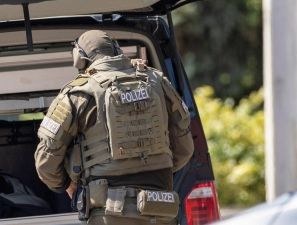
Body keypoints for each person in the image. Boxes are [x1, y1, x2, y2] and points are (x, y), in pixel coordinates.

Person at [35, 30, 194, 224]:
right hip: (162, 208)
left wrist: (68, 185)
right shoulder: (158, 81)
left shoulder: (77, 94)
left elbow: (46, 164)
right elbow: (185, 148)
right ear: (116, 50)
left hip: (109, 213)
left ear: (80, 58)